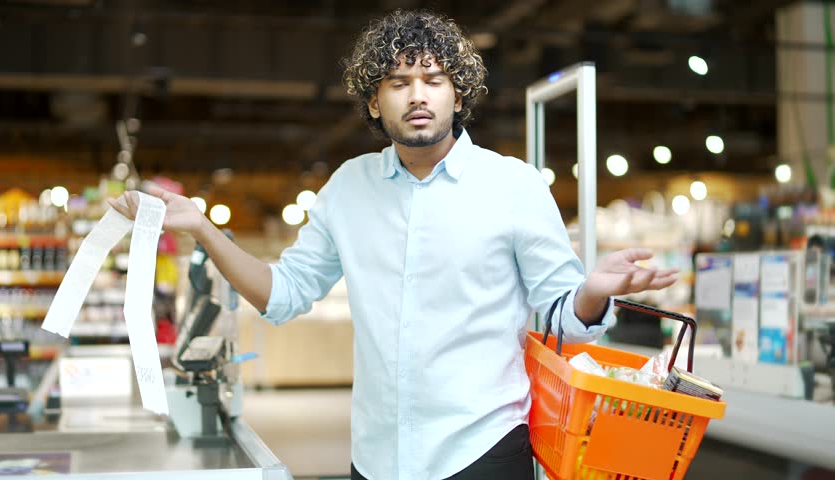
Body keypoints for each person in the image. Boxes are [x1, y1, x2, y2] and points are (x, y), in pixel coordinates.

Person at [109, 9, 678, 480]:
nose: (418, 95)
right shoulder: (347, 189)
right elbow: (282, 295)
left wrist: (592, 292)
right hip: (375, 458)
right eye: (399, 83)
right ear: (375, 103)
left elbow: (564, 317)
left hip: (482, 448)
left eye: (434, 80)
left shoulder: (514, 186)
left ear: (459, 96)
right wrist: (204, 228)